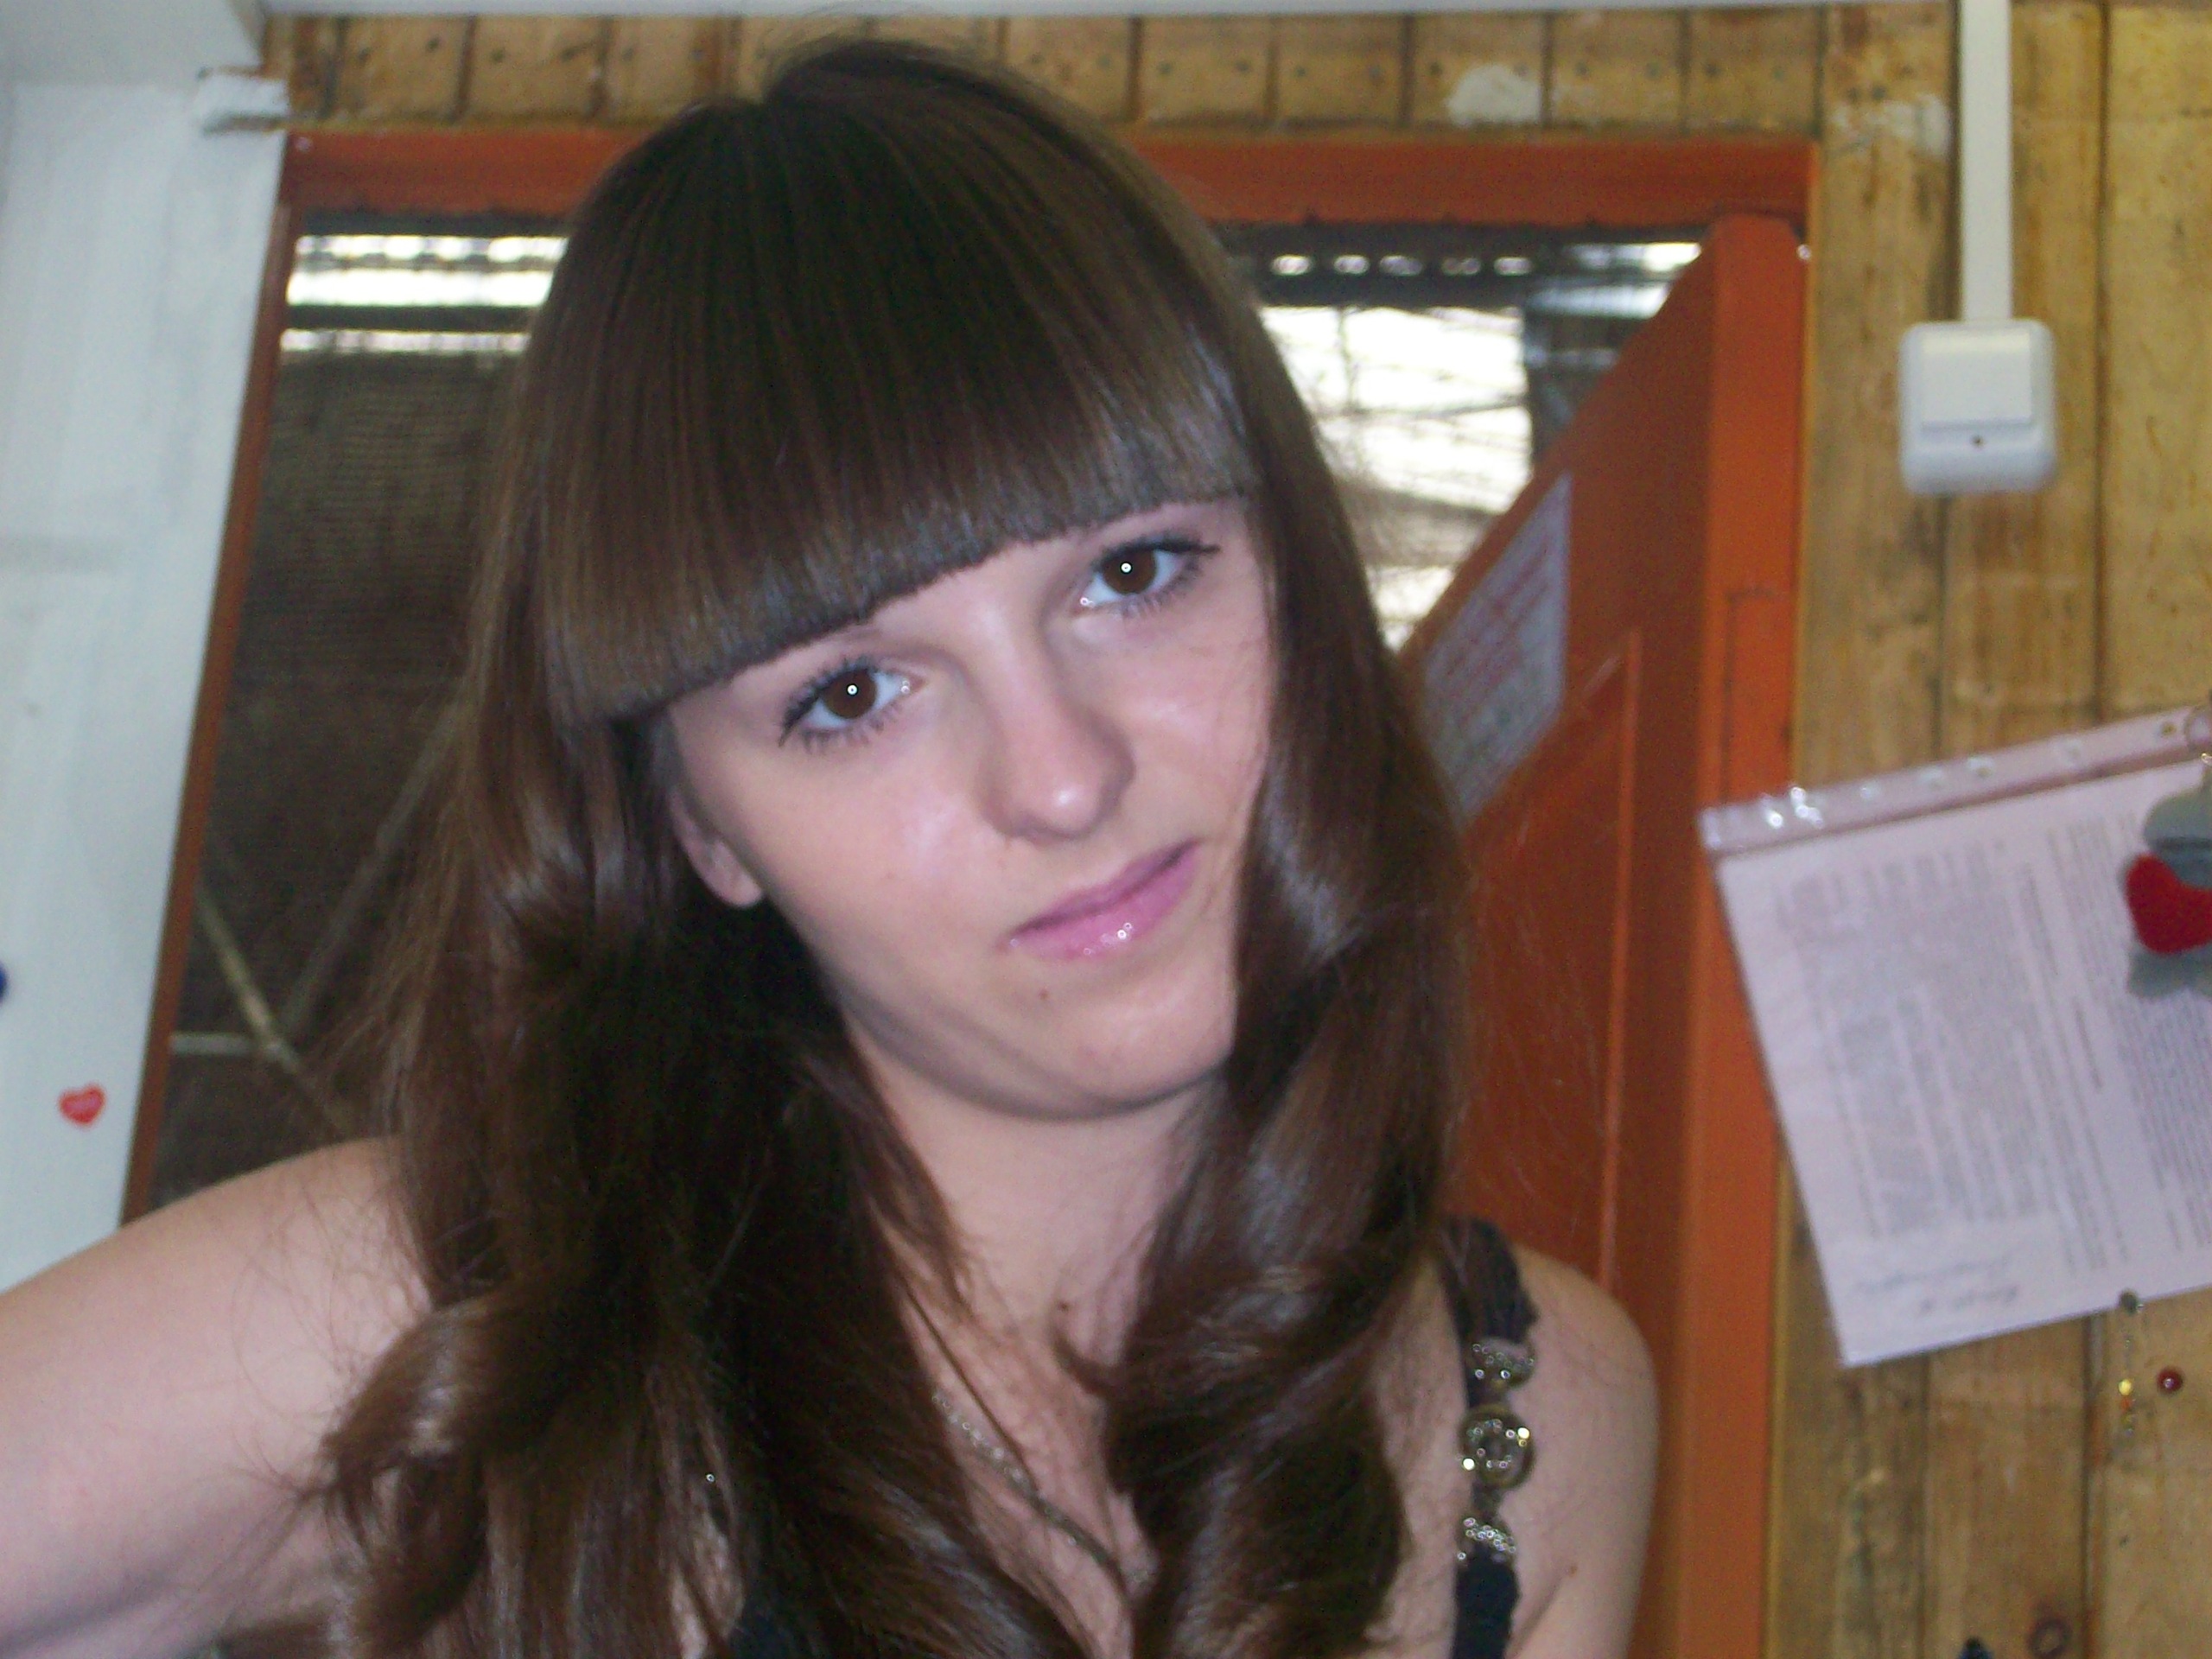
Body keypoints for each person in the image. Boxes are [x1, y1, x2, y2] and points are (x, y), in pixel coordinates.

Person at [0, 41, 1656, 1659]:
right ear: (700, 826)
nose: (1062, 778)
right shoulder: (450, 1326)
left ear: (1295, 567)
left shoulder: (1537, 1419)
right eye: (852, 694)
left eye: (1134, 575)